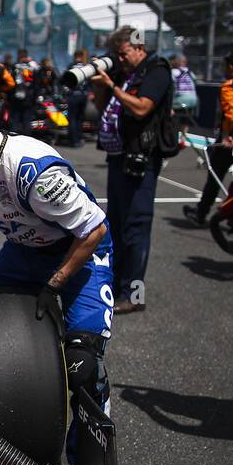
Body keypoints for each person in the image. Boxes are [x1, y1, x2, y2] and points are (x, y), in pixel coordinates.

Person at [0, 100, 114, 465]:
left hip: (79, 249)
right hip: (25, 249)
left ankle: (86, 464)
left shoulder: (32, 170)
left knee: (83, 365)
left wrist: (55, 284)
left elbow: (94, 230)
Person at [91, 25, 173, 315]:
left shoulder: (157, 71)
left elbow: (141, 108)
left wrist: (113, 86)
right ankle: (115, 287)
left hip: (143, 158)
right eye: (117, 55)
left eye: (123, 53)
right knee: (116, 222)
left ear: (139, 47)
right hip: (119, 156)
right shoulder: (125, 75)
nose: (120, 60)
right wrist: (102, 86)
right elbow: (104, 109)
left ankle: (134, 294)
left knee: (136, 227)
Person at [185, 51, 233, 225]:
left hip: (231, 140)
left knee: (215, 176)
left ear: (231, 67)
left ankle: (202, 213)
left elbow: (231, 114)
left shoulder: (229, 86)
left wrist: (226, 135)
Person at [64, 49, 89, 149]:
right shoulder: (86, 67)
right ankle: (79, 138)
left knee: (73, 118)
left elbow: (65, 81)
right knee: (80, 118)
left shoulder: (71, 67)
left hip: (73, 95)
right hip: (83, 95)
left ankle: (73, 140)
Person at [9, 48, 38, 135]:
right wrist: (35, 97)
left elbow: (10, 83)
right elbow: (36, 84)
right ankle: (27, 139)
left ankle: (13, 139)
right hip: (29, 97)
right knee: (27, 121)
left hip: (16, 97)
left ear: (19, 56)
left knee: (15, 120)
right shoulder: (32, 68)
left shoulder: (14, 67)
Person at [170, 54, 199, 130]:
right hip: (192, 100)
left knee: (173, 117)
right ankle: (183, 138)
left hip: (179, 101)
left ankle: (173, 133)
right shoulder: (189, 71)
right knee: (186, 120)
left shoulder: (172, 72)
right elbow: (195, 80)